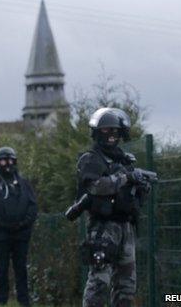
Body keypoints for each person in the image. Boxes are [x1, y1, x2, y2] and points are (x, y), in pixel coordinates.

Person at [71, 107, 149, 307]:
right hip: (103, 228)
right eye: (106, 130)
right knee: (99, 282)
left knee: (127, 286)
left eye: (114, 130)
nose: (111, 135)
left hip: (126, 227)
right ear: (97, 132)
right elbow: (96, 186)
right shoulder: (91, 159)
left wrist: (139, 186)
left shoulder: (124, 159)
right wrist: (125, 178)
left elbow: (134, 195)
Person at [0, 147, 38, 307]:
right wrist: (0, 224)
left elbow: (33, 206)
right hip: (1, 234)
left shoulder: (23, 182)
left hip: (21, 234)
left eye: (11, 160)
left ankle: (24, 301)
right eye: (5, 160)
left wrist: (24, 223)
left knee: (21, 268)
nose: (8, 164)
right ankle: (1, 301)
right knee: (2, 268)